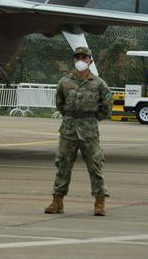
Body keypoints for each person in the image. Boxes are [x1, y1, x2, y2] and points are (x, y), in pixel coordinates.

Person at [45, 46, 114, 216]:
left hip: (89, 130)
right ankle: (57, 201)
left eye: (84, 57)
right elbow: (60, 103)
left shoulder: (99, 83)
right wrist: (71, 116)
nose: (81, 60)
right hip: (68, 128)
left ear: (90, 60)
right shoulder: (64, 82)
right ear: (74, 60)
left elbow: (107, 105)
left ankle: (99, 202)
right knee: (63, 164)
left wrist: (92, 118)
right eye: (78, 57)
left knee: (95, 165)